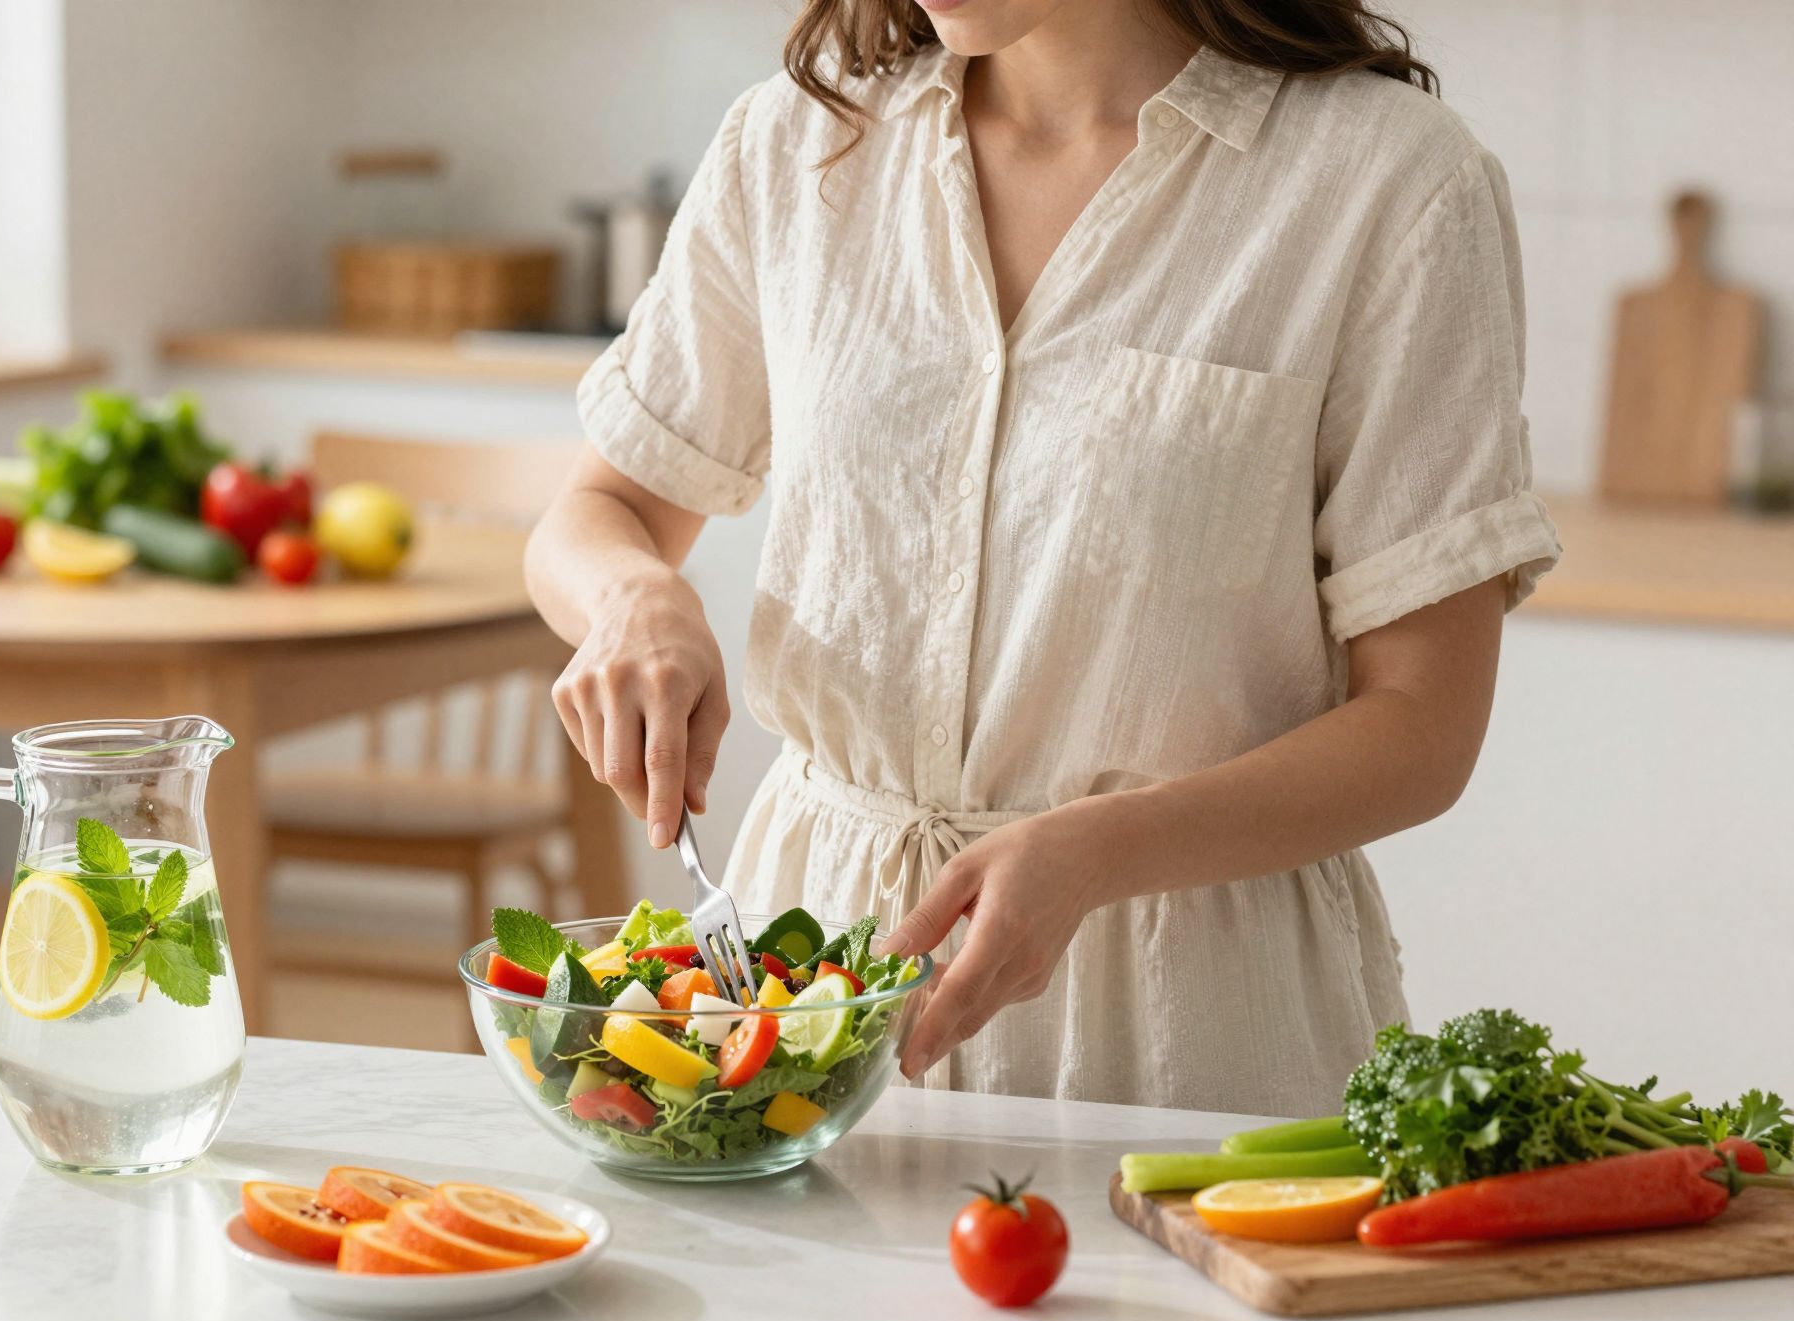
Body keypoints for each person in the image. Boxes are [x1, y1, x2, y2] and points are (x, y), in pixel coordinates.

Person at [523, 0, 1561, 1115]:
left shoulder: (1388, 183)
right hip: (811, 1011)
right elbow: (598, 511)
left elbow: (1422, 723)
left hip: (1195, 1029)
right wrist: (631, 598)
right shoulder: (796, 144)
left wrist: (1103, 850)